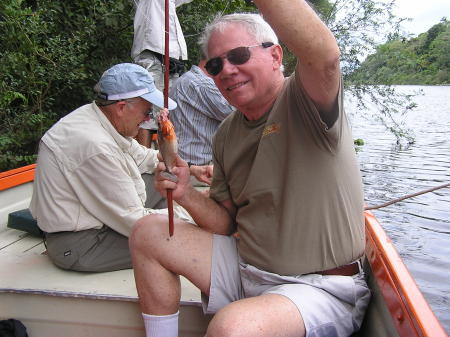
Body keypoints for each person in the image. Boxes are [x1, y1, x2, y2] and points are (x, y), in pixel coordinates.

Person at [129, 1, 371, 337]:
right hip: (248, 269)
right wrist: (184, 193)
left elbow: (323, 55)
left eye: (239, 55)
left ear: (275, 57)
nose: (226, 70)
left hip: (318, 287)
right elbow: (225, 223)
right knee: (148, 232)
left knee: (233, 328)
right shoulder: (227, 133)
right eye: (215, 64)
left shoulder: (304, 99)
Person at [29, 63, 193, 273]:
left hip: (99, 222)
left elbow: (142, 156)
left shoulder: (99, 118)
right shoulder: (95, 146)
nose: (147, 119)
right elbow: (134, 220)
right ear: (122, 107)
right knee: (182, 242)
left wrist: (190, 170)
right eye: (146, 111)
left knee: (165, 180)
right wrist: (195, 217)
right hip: (83, 245)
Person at [131, 0, 193, 147]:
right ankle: (144, 163)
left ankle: (163, 157)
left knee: (168, 111)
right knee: (148, 109)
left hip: (172, 57)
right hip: (152, 53)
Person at [169, 57, 234, 185]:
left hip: (188, 168)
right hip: (197, 173)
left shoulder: (188, 79)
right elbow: (241, 111)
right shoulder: (202, 84)